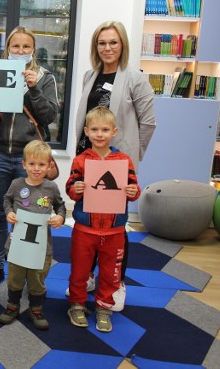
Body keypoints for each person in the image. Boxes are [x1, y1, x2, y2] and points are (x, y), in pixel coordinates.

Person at [73, 21, 156, 311]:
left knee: (116, 226)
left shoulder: (135, 78)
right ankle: (94, 276)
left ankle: (116, 282)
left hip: (117, 164)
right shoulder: (89, 75)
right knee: (88, 222)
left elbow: (148, 122)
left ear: (122, 45)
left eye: (113, 42)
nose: (107, 48)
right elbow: (86, 117)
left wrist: (131, 156)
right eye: (102, 43)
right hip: (89, 161)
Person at [0, 26, 59, 290]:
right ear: (8, 48)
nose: (21, 51)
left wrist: (33, 89)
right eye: (16, 47)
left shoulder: (45, 77)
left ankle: (26, 266)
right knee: (1, 214)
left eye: (26, 47)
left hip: (31, 159)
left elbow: (49, 117)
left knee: (31, 214)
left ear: (33, 49)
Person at [66, 106, 141, 333]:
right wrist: (76, 189)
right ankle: (77, 305)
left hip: (114, 230)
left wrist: (132, 192)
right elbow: (70, 189)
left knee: (110, 273)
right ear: (87, 131)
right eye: (95, 129)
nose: (100, 134)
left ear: (114, 132)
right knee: (80, 269)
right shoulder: (81, 160)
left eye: (105, 130)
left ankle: (104, 307)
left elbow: (134, 189)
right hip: (85, 229)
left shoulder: (123, 161)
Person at [0, 140, 66, 329]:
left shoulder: (51, 187)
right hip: (17, 244)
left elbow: (61, 206)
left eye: (42, 165)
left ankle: (36, 310)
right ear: (24, 164)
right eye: (32, 164)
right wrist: (9, 212)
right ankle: (12, 306)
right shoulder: (17, 184)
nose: (36, 169)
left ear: (49, 165)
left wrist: (60, 217)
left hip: (42, 246)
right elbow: (7, 200)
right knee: (15, 277)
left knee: (37, 279)